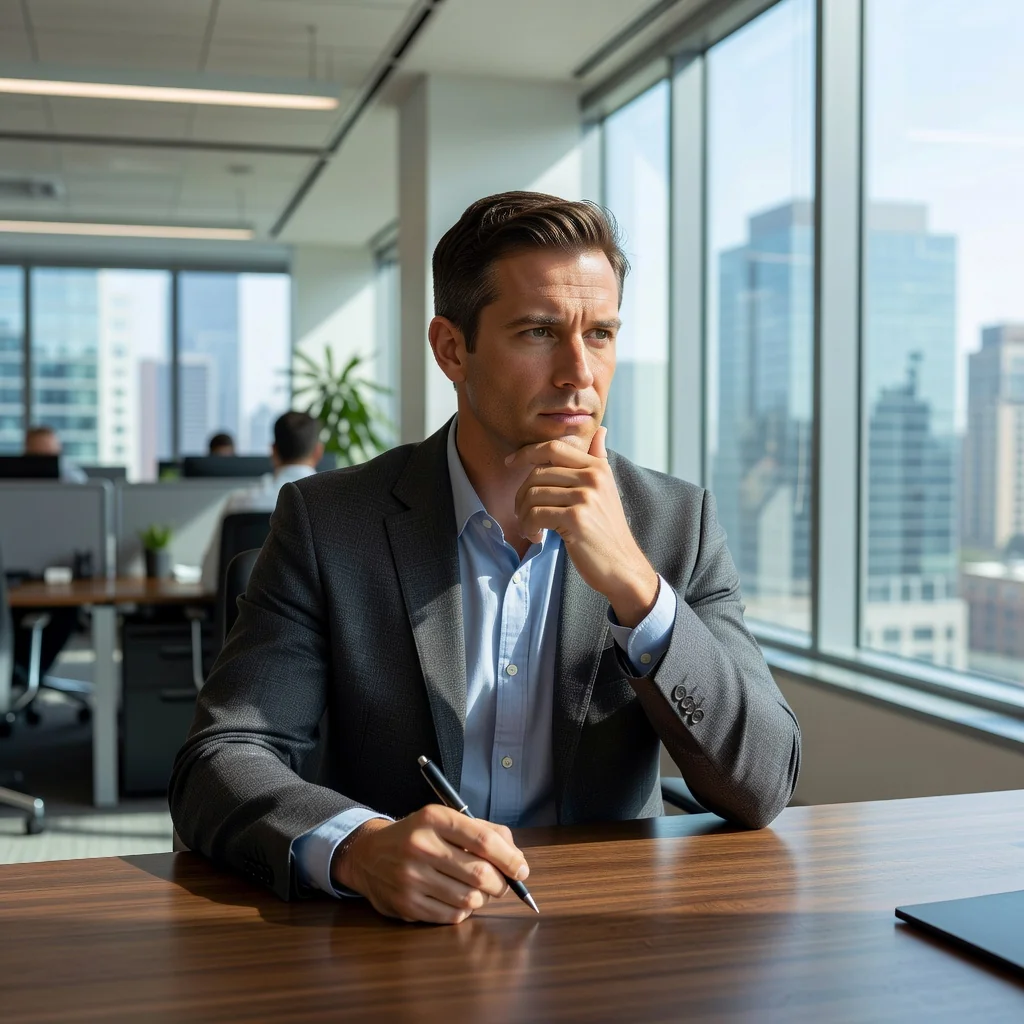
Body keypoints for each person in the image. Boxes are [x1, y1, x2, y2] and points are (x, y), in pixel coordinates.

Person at [171, 192, 801, 924]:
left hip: (602, 934)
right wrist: (360, 848)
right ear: (451, 349)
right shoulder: (329, 523)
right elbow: (220, 758)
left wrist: (637, 587)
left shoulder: (673, 525)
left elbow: (764, 783)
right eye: (539, 332)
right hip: (388, 939)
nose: (578, 373)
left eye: (600, 333)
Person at [199, 412, 324, 593]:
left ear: (273, 451)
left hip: (246, 620)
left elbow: (210, 580)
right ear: (318, 451)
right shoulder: (332, 507)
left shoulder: (239, 504)